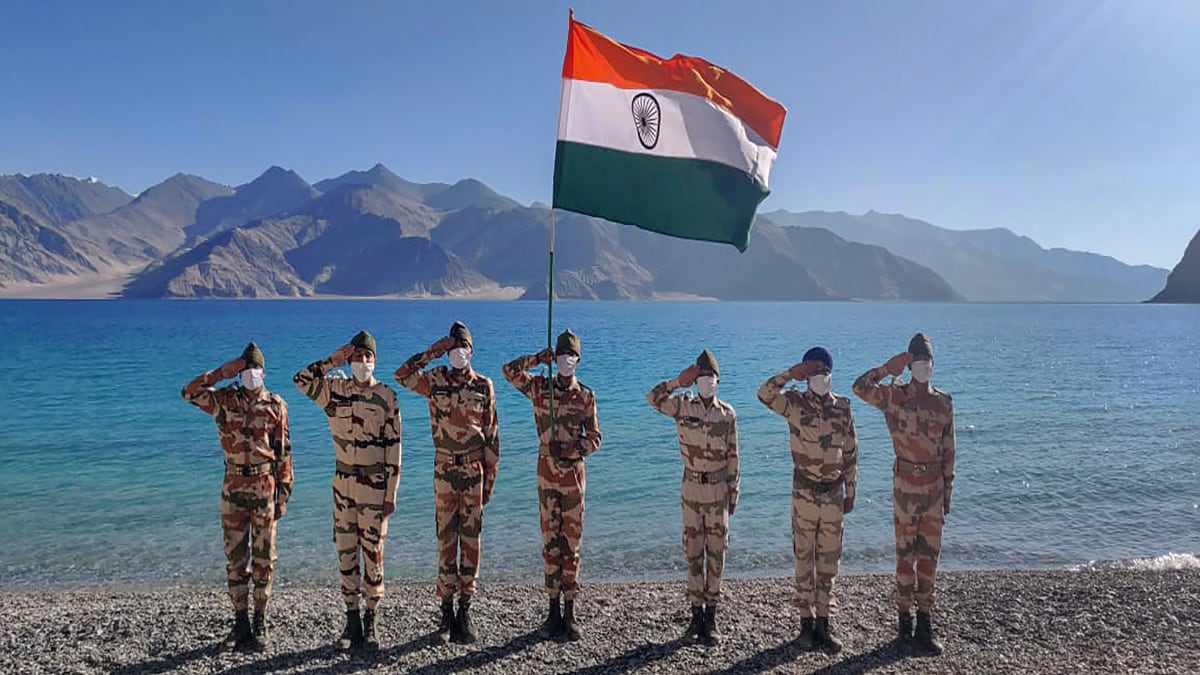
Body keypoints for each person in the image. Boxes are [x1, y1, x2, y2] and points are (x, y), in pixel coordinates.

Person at [293, 331, 402, 652]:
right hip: (342, 484)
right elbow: (300, 380)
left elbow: (395, 448)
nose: (362, 363)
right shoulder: (334, 390)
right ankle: (351, 619)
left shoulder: (386, 396)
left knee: (373, 553)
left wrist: (391, 493)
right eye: (357, 357)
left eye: (367, 357)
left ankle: (371, 620)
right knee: (345, 551)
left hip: (374, 485)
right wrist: (331, 361)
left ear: (375, 361)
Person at [182, 341, 293, 652]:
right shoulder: (224, 400)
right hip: (233, 486)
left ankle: (260, 619)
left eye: (254, 369)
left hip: (264, 485)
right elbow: (188, 393)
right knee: (235, 559)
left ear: (263, 372)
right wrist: (219, 373)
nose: (249, 375)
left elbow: (284, 453)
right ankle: (240, 620)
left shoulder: (275, 405)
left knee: (264, 559)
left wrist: (284, 493)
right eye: (245, 370)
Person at [394, 321, 499, 644]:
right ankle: (445, 610)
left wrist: (489, 482)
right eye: (452, 350)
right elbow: (401, 375)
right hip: (444, 470)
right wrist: (432, 352)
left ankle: (465, 609)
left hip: (473, 470)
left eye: (462, 349)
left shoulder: (483, 385)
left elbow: (492, 437)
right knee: (445, 541)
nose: (457, 354)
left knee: (471, 542)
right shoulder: (435, 380)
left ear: (471, 352)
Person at [853, 333, 955, 655]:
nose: (924, 368)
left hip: (934, 490)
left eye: (928, 363)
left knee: (929, 558)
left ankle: (925, 623)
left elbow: (949, 450)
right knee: (904, 558)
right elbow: (859, 388)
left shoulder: (943, 402)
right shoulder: (894, 397)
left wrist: (948, 490)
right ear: (910, 365)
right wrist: (886, 368)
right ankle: (903, 624)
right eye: (918, 363)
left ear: (934, 366)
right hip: (906, 487)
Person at [502, 329, 601, 641]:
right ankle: (551, 610)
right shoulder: (539, 388)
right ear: (554, 358)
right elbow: (509, 372)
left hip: (573, 477)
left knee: (570, 544)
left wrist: (571, 449)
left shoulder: (585, 396)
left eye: (571, 356)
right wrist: (536, 358)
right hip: (546, 474)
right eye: (561, 356)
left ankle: (570, 612)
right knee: (550, 544)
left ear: (578, 360)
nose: (566, 361)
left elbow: (595, 438)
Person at [758, 346, 857, 654]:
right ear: (806, 377)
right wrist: (790, 374)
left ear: (831, 374)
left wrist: (851, 490)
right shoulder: (794, 404)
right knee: (804, 558)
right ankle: (805, 624)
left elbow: (851, 452)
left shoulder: (843, 407)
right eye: (813, 373)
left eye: (823, 373)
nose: (819, 378)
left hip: (832, 494)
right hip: (804, 491)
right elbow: (763, 394)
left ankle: (824, 625)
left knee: (828, 561)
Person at [646, 349, 739, 645]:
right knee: (693, 553)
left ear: (719, 381)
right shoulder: (682, 407)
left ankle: (711, 618)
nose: (707, 381)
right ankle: (695, 616)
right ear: (695, 380)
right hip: (691, 489)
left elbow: (734, 456)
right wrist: (677, 381)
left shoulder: (727, 414)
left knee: (717, 555)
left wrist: (733, 494)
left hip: (718, 490)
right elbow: (652, 398)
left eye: (711, 377)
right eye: (702, 377)